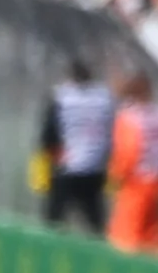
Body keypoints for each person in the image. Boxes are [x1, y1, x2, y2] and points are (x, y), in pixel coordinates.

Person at [41, 59, 113, 231]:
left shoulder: (63, 98)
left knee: (55, 219)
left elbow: (48, 135)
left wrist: (54, 158)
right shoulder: (104, 99)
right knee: (95, 221)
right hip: (95, 169)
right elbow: (112, 131)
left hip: (67, 167)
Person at [106, 69, 158, 250]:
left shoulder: (129, 117)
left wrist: (116, 175)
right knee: (152, 232)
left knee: (126, 232)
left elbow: (128, 150)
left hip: (136, 181)